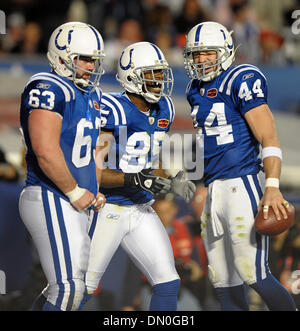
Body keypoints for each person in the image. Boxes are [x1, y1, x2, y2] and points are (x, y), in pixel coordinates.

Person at [183, 21, 296, 311]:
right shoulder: (194, 89)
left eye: (207, 53)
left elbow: (268, 136)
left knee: (254, 274)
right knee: (222, 280)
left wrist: (271, 187)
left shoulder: (242, 78)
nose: (200, 60)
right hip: (213, 189)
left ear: (224, 51)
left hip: (242, 182)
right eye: (196, 54)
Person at [82, 41, 196, 311]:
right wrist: (133, 179)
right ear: (131, 76)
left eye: (160, 73)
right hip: (107, 206)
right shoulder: (114, 108)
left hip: (140, 208)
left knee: (168, 283)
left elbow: (148, 162)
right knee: (78, 289)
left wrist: (170, 177)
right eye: (151, 74)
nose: (159, 80)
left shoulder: (164, 109)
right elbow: (92, 170)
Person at [18, 22, 106, 311]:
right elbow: (44, 151)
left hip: (75, 198)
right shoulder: (47, 86)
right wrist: (73, 191)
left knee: (71, 289)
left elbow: (91, 152)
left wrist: (93, 190)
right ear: (60, 57)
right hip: (50, 193)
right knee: (68, 287)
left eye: (94, 59)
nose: (90, 65)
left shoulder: (92, 94)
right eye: (83, 58)